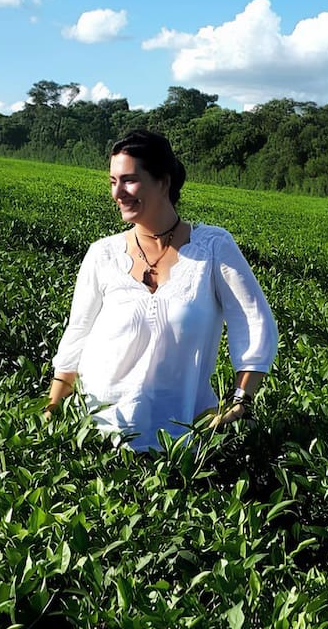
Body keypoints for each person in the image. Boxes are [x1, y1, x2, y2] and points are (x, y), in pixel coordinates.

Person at [43, 129, 277, 451]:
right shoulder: (103, 254)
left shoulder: (213, 248)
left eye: (129, 180)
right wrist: (52, 410)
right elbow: (77, 334)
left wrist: (241, 400)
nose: (118, 193)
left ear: (163, 181)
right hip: (97, 435)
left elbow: (253, 320)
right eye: (113, 181)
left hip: (181, 441)